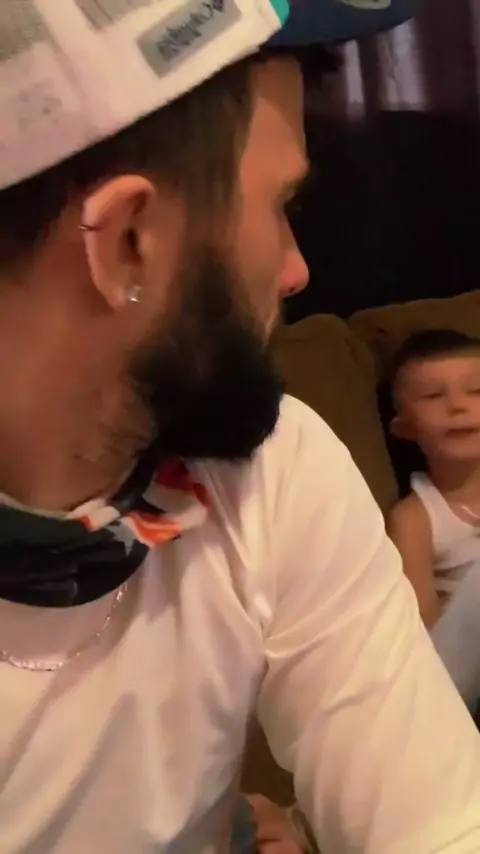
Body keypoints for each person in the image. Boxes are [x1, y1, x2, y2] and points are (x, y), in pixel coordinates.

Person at [0, 3, 480, 853]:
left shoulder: (272, 466)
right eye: (281, 205)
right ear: (128, 243)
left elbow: (440, 827)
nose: (297, 270)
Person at [387, 329, 480, 709]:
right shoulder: (414, 517)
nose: (457, 405)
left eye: (476, 391)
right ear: (404, 427)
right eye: (433, 396)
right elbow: (423, 633)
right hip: (455, 679)